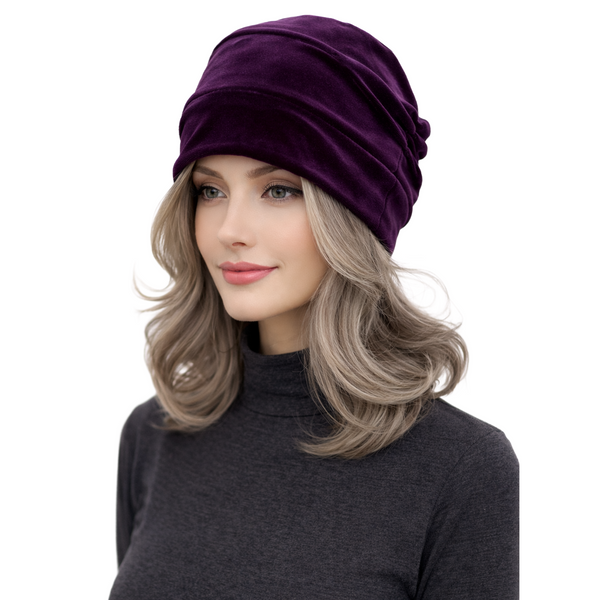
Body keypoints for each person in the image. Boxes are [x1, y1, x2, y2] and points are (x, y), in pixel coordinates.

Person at [109, 15, 518, 600]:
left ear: (353, 216)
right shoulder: (154, 435)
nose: (229, 229)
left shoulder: (461, 468)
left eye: (278, 189)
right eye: (210, 190)